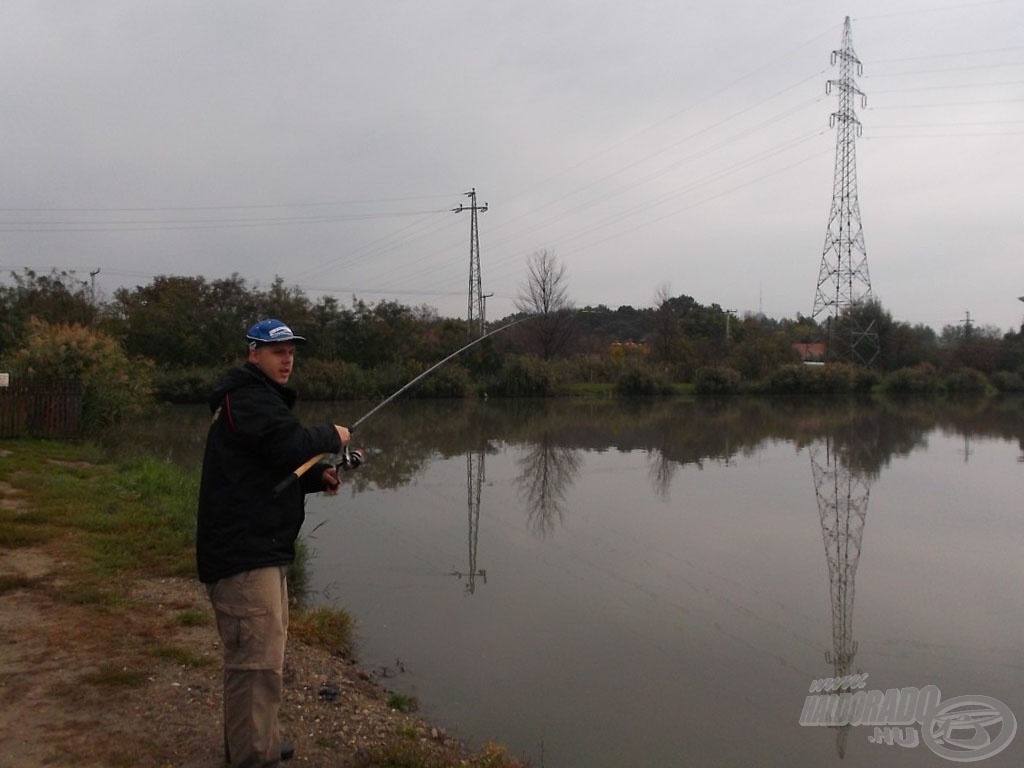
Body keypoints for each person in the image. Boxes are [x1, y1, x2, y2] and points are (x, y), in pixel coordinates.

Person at [197, 318, 350, 767]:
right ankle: (253, 755)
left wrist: (314, 478)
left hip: (259, 548)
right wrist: (332, 436)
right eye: (276, 351)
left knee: (265, 655)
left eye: (290, 352)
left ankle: (255, 742)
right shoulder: (248, 399)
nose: (287, 359)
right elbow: (291, 444)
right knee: (255, 663)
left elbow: (268, 471)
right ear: (254, 354)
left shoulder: (257, 399)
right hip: (244, 555)